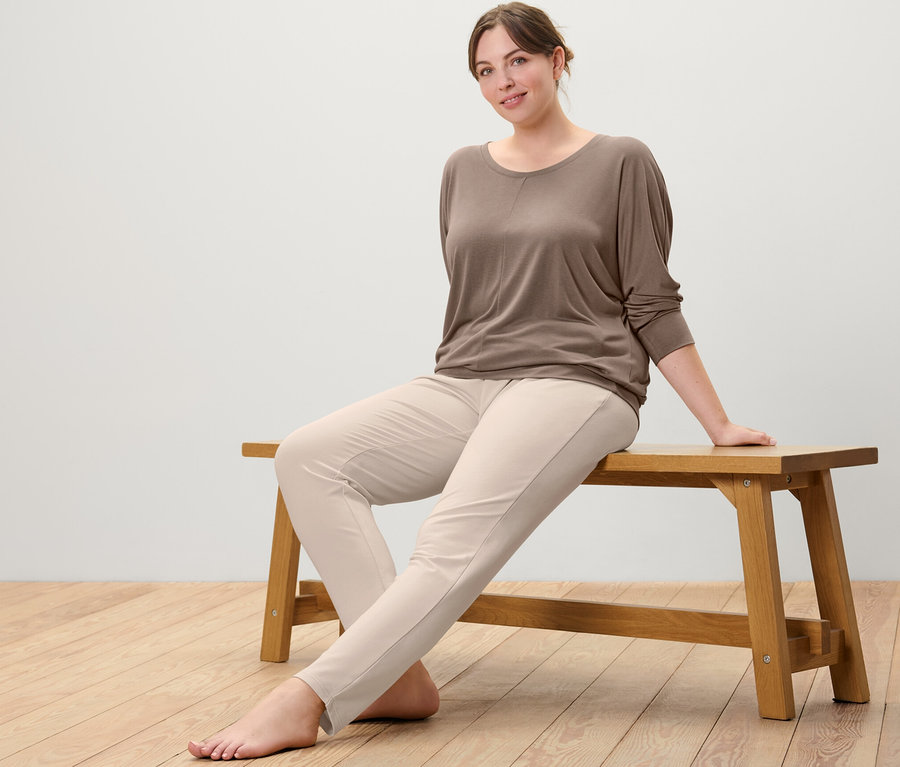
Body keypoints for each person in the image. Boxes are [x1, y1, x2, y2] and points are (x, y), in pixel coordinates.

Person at [189, 2, 774, 760]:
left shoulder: (623, 160)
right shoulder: (462, 168)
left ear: (559, 59)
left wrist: (717, 424)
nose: (504, 82)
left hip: (580, 382)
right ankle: (392, 678)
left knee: (449, 535)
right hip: (466, 378)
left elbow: (651, 300)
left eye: (519, 61)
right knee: (307, 455)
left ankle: (313, 697)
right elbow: (473, 295)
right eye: (485, 71)